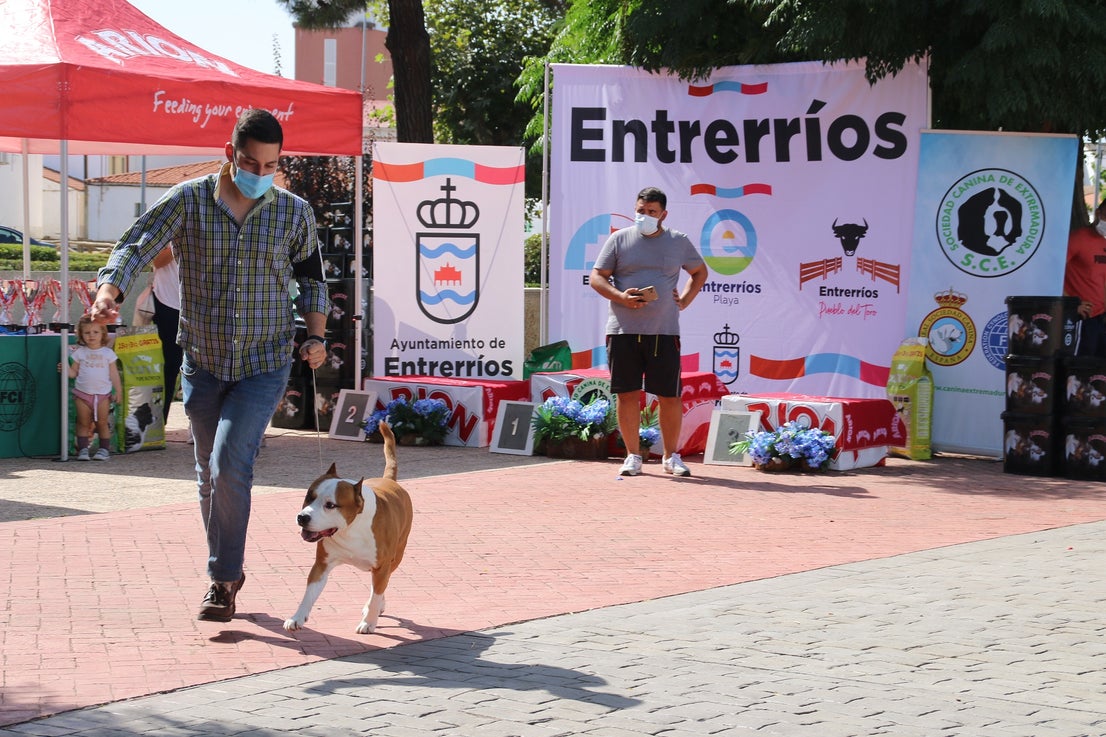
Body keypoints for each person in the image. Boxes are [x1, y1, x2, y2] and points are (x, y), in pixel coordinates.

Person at [89, 108, 329, 622]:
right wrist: (110, 291)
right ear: (230, 155)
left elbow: (312, 280)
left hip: (263, 362)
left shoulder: (293, 212)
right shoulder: (189, 200)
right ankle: (229, 570)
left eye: (270, 166)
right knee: (206, 475)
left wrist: (315, 335)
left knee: (228, 464)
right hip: (202, 360)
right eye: (250, 163)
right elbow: (136, 245)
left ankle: (222, 578)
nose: (259, 174)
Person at [589, 186, 708, 478]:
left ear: (663, 214)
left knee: (669, 396)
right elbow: (597, 276)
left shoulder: (678, 241)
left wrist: (685, 301)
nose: (644, 217)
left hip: (664, 332)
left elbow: (700, 272)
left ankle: (671, 457)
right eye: (640, 211)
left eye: (651, 212)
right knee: (627, 394)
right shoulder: (619, 239)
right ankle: (632, 456)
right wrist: (621, 297)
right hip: (623, 330)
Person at [62, 314, 122, 461]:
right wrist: (65, 369)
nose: (91, 336)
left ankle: (104, 449)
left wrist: (119, 391)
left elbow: (114, 374)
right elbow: (73, 373)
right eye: (87, 333)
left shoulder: (108, 354)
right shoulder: (79, 353)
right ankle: (83, 449)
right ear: (81, 335)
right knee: (83, 422)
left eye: (95, 332)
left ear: (103, 333)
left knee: (101, 423)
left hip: (102, 395)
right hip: (82, 394)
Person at [1064, 199, 1106, 358]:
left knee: (1097, 373)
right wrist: (1071, 304)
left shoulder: (1104, 242)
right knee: (1078, 370)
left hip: (1101, 320)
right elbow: (1055, 271)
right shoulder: (1078, 238)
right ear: (1098, 213)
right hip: (1082, 318)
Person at [150, 245, 183, 425]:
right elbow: (157, 261)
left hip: (201, 302)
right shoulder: (166, 222)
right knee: (170, 365)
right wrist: (177, 241)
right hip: (167, 302)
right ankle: (160, 422)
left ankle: (198, 426)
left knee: (204, 367)